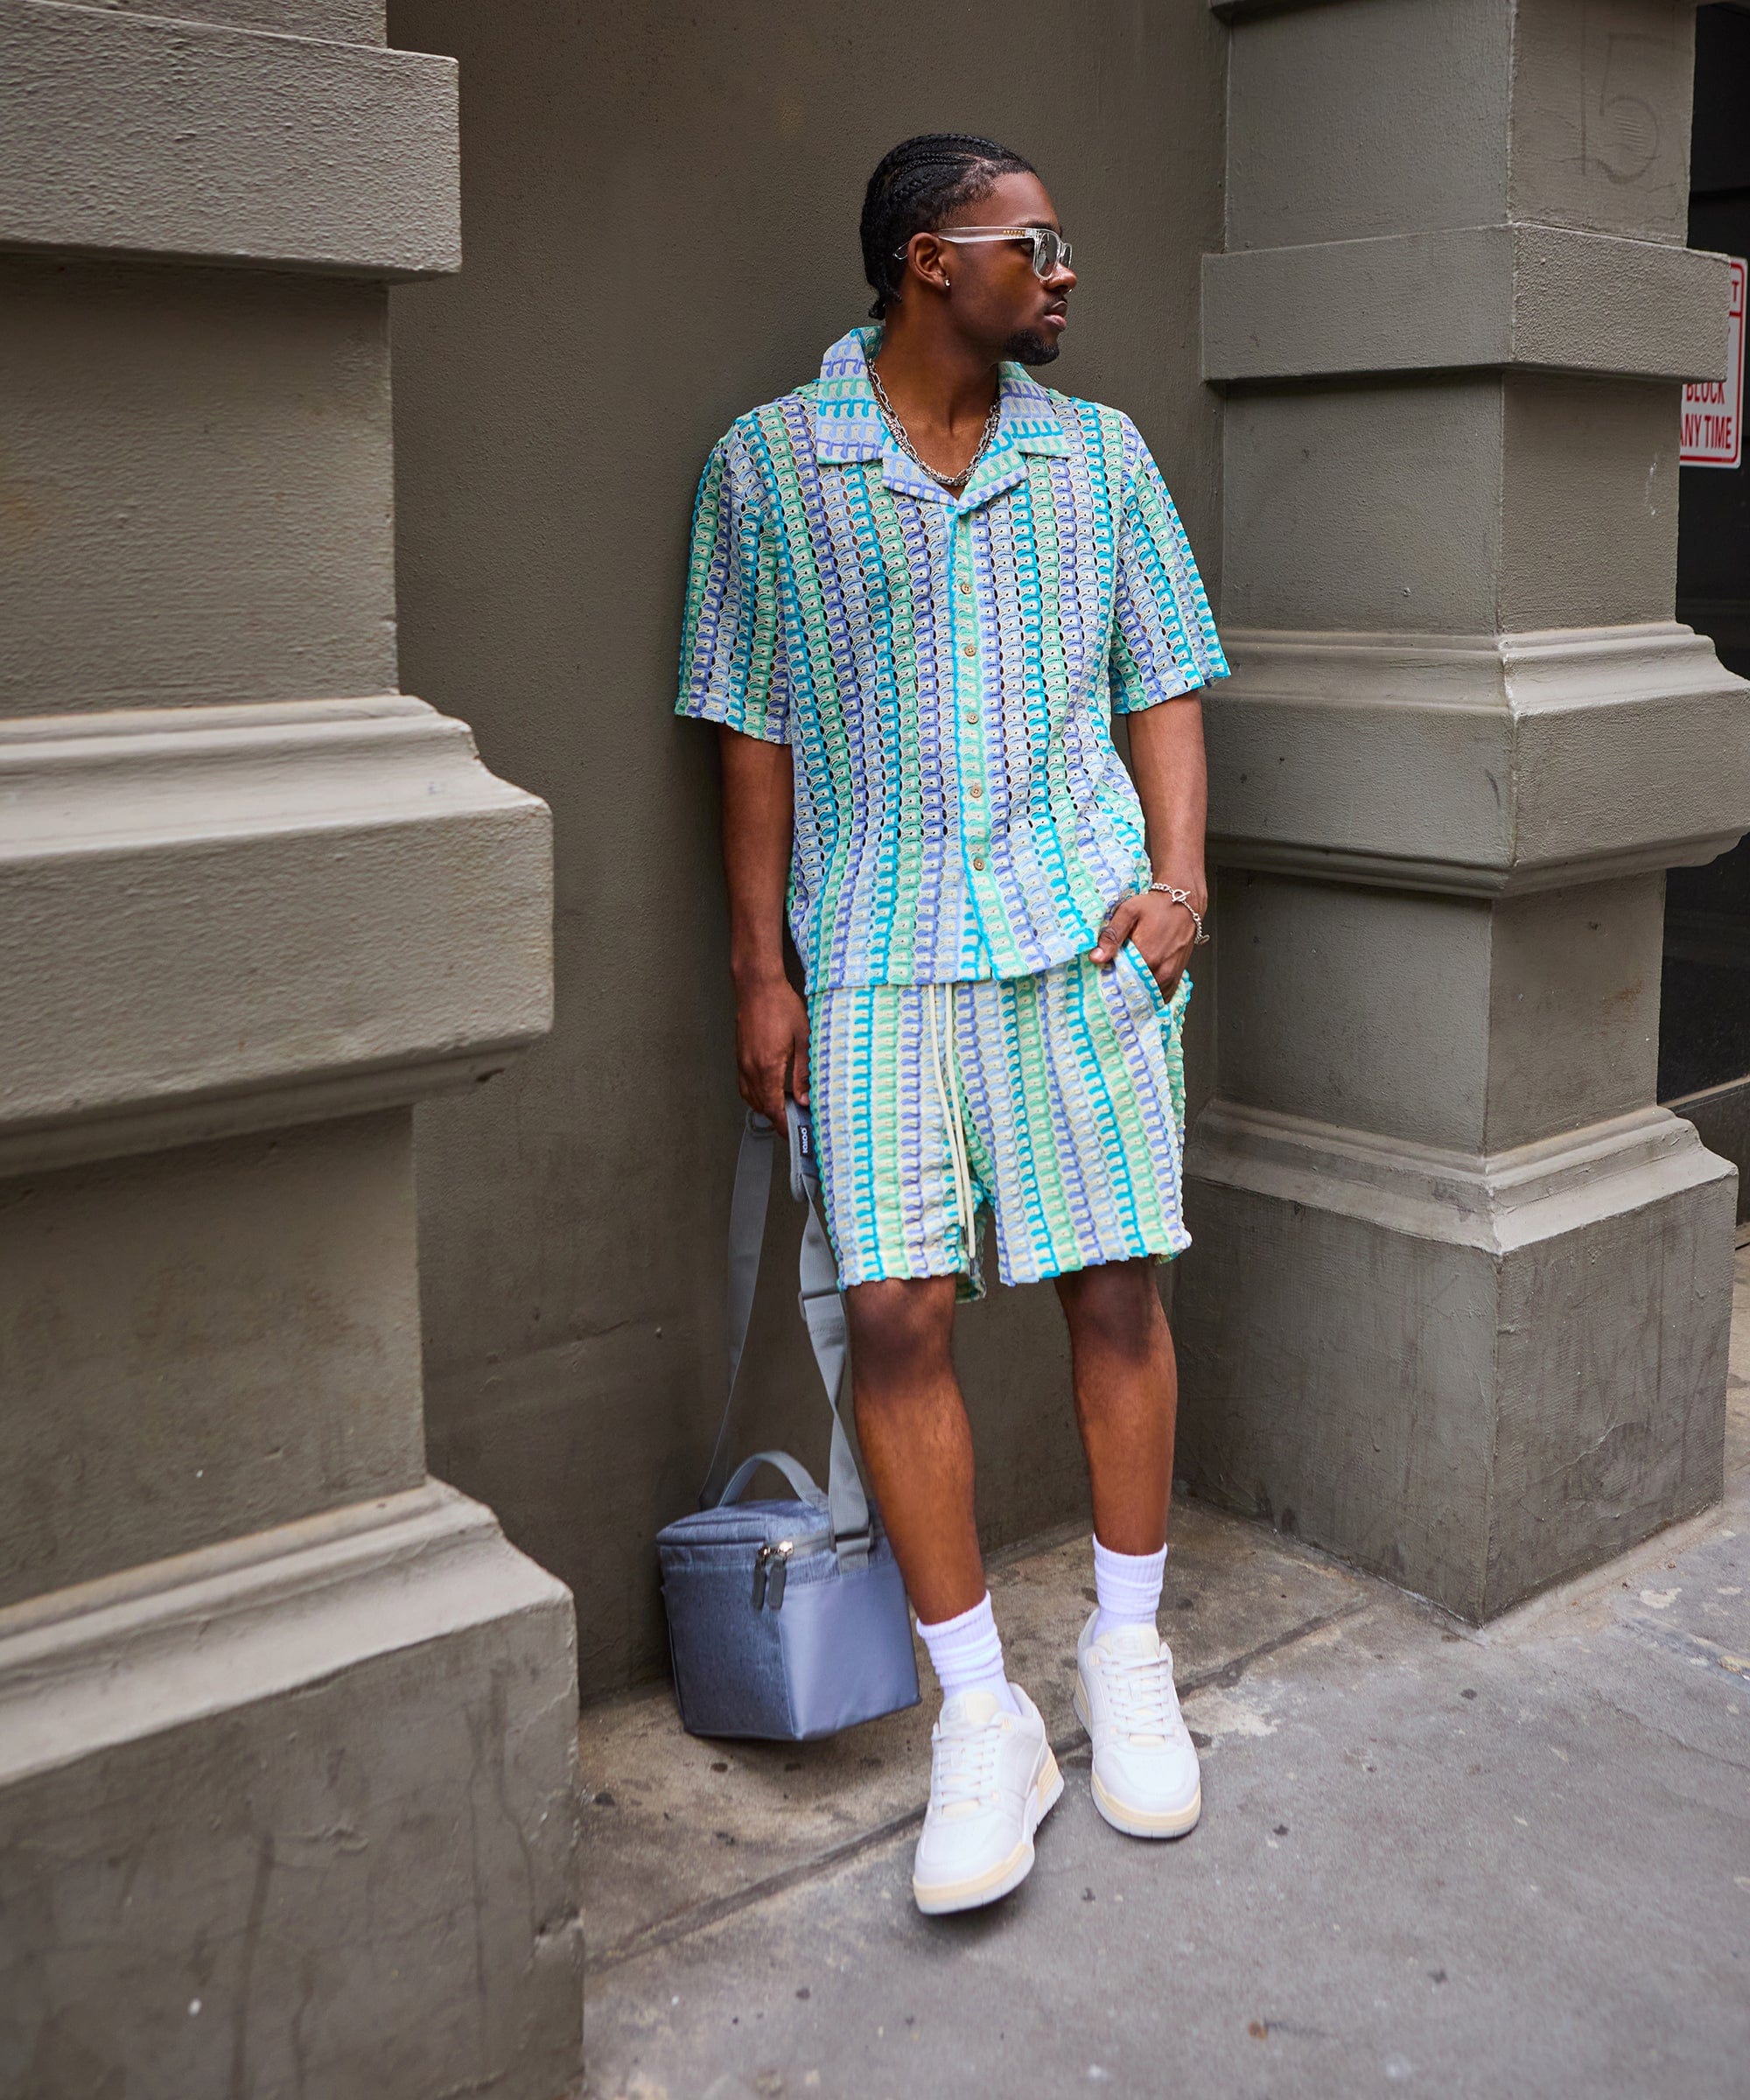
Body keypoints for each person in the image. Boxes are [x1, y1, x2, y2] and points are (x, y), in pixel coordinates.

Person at [676, 132, 1228, 1914]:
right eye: (1030, 243)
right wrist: (762, 970)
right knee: (898, 1317)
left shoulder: (1101, 454)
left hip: (1081, 939)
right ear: (930, 260)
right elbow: (748, 726)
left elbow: (1162, 676)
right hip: (878, 953)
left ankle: (1124, 1658)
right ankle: (981, 1716)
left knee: (1116, 1278)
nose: (1061, 273)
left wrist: (1177, 892)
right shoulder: (769, 466)